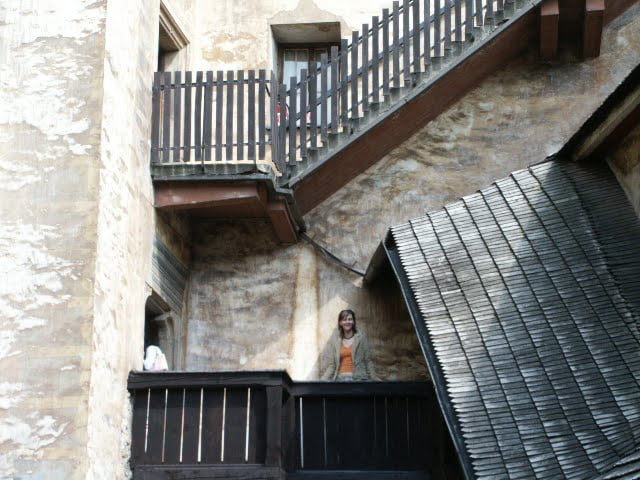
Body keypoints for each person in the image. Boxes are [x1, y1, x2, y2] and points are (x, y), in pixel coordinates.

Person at [321, 309, 377, 381]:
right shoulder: (336, 340)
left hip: (358, 379)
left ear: (353, 322)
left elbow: (368, 361)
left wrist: (375, 380)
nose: (347, 322)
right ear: (340, 323)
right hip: (340, 379)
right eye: (344, 320)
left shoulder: (361, 338)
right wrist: (321, 382)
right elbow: (332, 365)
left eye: (350, 319)